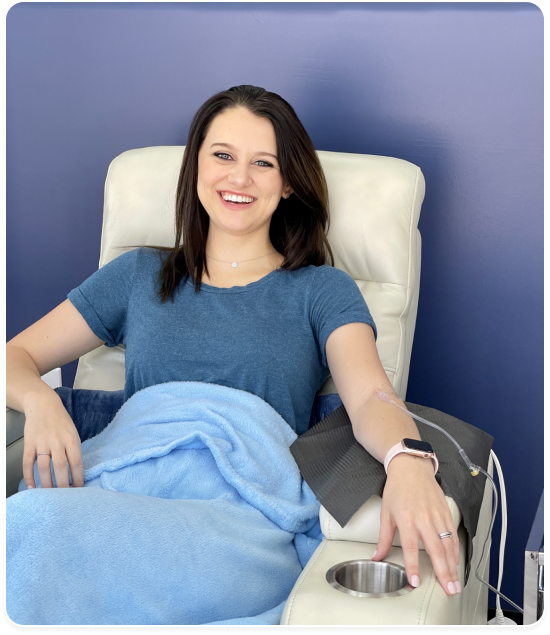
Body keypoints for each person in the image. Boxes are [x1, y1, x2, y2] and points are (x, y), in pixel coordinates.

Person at [6, 85, 461, 607]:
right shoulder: (137, 275)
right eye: (222, 156)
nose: (239, 178)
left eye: (263, 163)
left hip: (240, 516)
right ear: (196, 165)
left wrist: (407, 460)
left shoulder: (320, 289)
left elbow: (370, 398)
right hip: (123, 484)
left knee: (34, 526)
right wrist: (40, 401)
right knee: (28, 523)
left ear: (288, 183)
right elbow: (16, 357)